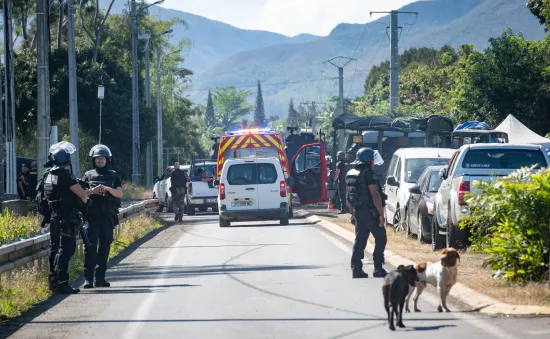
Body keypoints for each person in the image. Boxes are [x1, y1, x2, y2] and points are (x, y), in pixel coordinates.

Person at [43, 142, 90, 294]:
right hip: (67, 219)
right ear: (66, 160)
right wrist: (85, 200)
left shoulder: (48, 175)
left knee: (55, 249)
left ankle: (54, 280)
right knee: (66, 250)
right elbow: (82, 195)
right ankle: (62, 282)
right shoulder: (66, 176)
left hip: (54, 218)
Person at [82, 144, 123, 289]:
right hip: (91, 218)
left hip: (107, 218)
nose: (100, 161)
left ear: (107, 160)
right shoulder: (87, 175)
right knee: (90, 248)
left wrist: (107, 189)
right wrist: (93, 191)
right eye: (97, 159)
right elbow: (82, 193)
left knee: (104, 248)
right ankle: (88, 280)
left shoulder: (113, 176)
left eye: (102, 159)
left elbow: (119, 193)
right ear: (94, 160)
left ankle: (100, 279)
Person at [345, 147, 388, 279]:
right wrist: (381, 214)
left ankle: (356, 269)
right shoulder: (369, 173)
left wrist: (352, 212)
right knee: (381, 237)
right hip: (370, 211)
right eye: (373, 159)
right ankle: (378, 268)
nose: (374, 161)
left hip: (358, 211)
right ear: (369, 160)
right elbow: (375, 195)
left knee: (360, 239)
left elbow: (349, 196)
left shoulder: (350, 173)